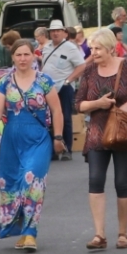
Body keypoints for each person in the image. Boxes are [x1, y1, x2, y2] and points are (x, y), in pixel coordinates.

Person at [72, 28, 127, 251]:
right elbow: (78, 104)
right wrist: (97, 105)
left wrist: (125, 106)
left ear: (110, 48)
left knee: (121, 183)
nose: (93, 52)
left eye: (98, 49)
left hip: (123, 131)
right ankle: (99, 234)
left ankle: (123, 233)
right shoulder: (89, 72)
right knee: (95, 181)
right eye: (91, 48)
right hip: (97, 133)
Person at [0, 39, 63, 252]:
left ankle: (30, 233)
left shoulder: (44, 81)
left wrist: (58, 137)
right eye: (18, 55)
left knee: (32, 182)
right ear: (13, 58)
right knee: (11, 185)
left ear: (33, 55)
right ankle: (19, 228)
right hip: (11, 140)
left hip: (38, 139)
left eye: (26, 54)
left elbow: (56, 110)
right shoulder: (5, 82)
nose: (22, 59)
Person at [40, 20, 84, 157]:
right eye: (53, 31)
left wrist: (68, 80)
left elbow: (82, 66)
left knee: (65, 116)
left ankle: (67, 149)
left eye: (58, 30)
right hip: (47, 87)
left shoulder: (70, 47)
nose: (55, 33)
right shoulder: (46, 47)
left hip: (63, 86)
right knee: (48, 117)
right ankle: (52, 149)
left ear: (64, 32)